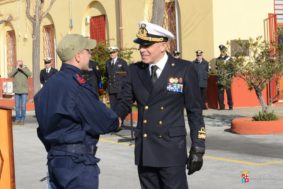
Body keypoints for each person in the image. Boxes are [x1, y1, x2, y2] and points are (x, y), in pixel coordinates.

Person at [114, 21, 206, 189]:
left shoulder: (184, 69)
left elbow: (195, 111)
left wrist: (198, 147)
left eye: (147, 44)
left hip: (171, 149)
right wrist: (115, 118)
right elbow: (125, 101)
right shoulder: (135, 70)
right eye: (140, 45)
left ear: (163, 46)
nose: (142, 49)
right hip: (146, 150)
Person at [34, 34, 120, 189]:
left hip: (55, 160)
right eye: (88, 51)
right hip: (76, 163)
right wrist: (117, 120)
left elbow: (42, 128)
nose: (90, 54)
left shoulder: (48, 86)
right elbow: (103, 120)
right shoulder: (77, 85)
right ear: (78, 56)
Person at [8, 60, 31, 125]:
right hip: (17, 91)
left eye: (21, 64)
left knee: (23, 106)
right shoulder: (15, 69)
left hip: (24, 91)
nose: (20, 65)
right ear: (17, 64)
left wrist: (22, 69)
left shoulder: (25, 68)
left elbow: (29, 74)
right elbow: (10, 75)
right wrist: (16, 68)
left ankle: (22, 119)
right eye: (19, 64)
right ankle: (18, 119)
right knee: (17, 106)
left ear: (22, 64)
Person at [215, 44, 233, 110]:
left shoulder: (229, 59)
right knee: (220, 93)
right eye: (221, 50)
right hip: (220, 79)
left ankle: (230, 106)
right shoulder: (217, 59)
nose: (222, 52)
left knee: (228, 93)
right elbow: (216, 68)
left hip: (227, 79)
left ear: (225, 51)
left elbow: (232, 68)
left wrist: (230, 76)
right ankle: (222, 106)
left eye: (223, 50)